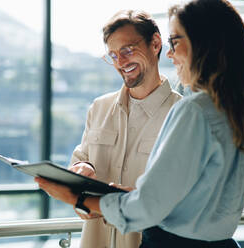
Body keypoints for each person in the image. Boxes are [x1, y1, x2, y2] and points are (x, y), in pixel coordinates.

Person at [35, 0, 244, 247]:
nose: (171, 54)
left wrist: (77, 199)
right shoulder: (237, 111)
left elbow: (148, 207)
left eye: (176, 42)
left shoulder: (192, 111)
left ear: (204, 44)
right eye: (113, 55)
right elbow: (190, 199)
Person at [65, 10, 182, 248]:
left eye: (128, 50)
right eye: (113, 55)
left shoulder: (182, 114)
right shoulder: (99, 108)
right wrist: (81, 170)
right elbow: (78, 166)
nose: (121, 62)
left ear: (156, 43)